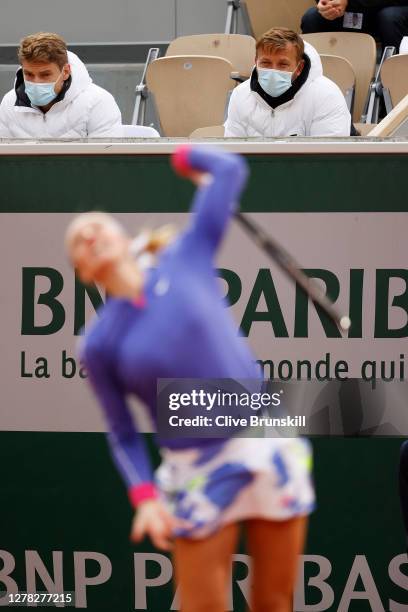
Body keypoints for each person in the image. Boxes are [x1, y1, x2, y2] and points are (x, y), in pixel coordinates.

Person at [65, 146, 315, 612]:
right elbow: (122, 431)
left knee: (275, 603)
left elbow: (230, 168)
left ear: (125, 237)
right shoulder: (98, 343)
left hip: (266, 435)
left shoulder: (185, 256)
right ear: (82, 272)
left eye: (97, 226)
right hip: (193, 466)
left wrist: (183, 154)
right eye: (78, 239)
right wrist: (144, 497)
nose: (90, 235)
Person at [224, 27, 351, 138]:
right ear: (255, 61)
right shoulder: (240, 95)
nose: (273, 70)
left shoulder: (326, 95)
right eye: (265, 63)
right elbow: (232, 154)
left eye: (283, 64)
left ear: (299, 67)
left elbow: (327, 160)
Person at [0, 32, 122, 138]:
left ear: (65, 72)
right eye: (29, 74)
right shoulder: (9, 103)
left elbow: (107, 162)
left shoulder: (98, 102)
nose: (36, 82)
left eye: (45, 75)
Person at [301, 0, 408, 50]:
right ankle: (311, 73)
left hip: (385, 10)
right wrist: (327, 4)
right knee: (311, 17)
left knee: (390, 17)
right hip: (349, 12)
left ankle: (393, 79)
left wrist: (349, 2)